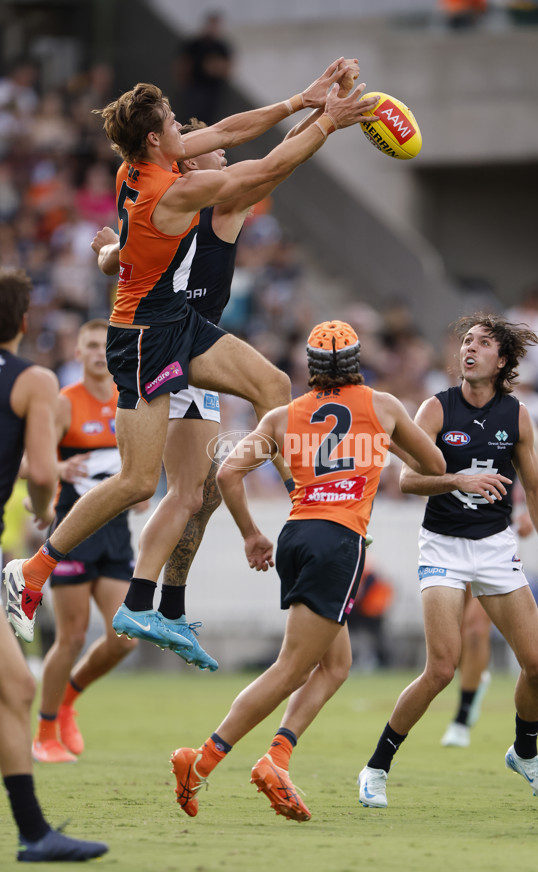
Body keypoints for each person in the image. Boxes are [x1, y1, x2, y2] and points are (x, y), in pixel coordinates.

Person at [4, 65, 379, 656]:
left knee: (273, 383)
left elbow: (227, 133)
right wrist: (329, 121)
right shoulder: (172, 192)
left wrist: (297, 100)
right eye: (174, 122)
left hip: (178, 322)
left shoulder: (143, 165)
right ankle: (32, 570)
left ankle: (300, 497)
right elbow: (267, 168)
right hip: (144, 337)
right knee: (134, 483)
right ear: (156, 139)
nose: (183, 128)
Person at [169, 319, 445, 822]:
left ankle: (277, 758)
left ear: (310, 368)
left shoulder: (281, 416)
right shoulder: (383, 406)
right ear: (359, 362)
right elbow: (432, 464)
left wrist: (253, 534)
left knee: (335, 665)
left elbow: (229, 473)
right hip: (339, 541)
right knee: (292, 667)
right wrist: (391, 445)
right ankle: (201, 760)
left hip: (297, 535)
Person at [358, 313, 538, 809]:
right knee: (441, 668)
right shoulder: (435, 408)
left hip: (496, 549)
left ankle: (525, 753)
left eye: (483, 343)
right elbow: (405, 481)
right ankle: (376, 768)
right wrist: (457, 479)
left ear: (502, 361)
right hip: (443, 547)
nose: (469, 349)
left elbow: (534, 487)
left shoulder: (515, 416)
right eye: (466, 341)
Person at [0, 268, 107, 861]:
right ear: (23, 322)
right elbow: (43, 474)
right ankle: (34, 835)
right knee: (14, 686)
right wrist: (45, 513)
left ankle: (33, 833)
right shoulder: (34, 381)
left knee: (16, 685)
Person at [31, 319, 143, 764]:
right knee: (72, 636)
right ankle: (44, 732)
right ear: (77, 354)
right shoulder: (64, 404)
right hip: (72, 534)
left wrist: (138, 492)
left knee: (125, 637)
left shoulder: (128, 401)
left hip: (116, 534)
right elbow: (30, 461)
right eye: (91, 346)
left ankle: (69, 700)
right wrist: (58, 472)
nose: (100, 352)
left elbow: (141, 465)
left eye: (105, 344)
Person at [441, 418, 538, 748]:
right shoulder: (448, 412)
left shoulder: (517, 419)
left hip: (493, 538)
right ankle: (475, 682)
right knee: (456, 633)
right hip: (448, 538)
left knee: (476, 628)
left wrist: (526, 517)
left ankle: (461, 718)